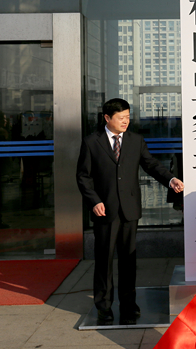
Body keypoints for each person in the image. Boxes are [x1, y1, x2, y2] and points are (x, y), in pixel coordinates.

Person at [77, 98, 184, 325]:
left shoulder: (136, 140)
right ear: (107, 118)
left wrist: (171, 179)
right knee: (104, 260)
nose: (126, 121)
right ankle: (104, 307)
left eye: (128, 116)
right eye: (121, 118)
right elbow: (83, 177)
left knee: (128, 260)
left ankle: (128, 304)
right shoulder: (91, 142)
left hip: (129, 209)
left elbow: (151, 164)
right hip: (104, 210)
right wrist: (94, 201)